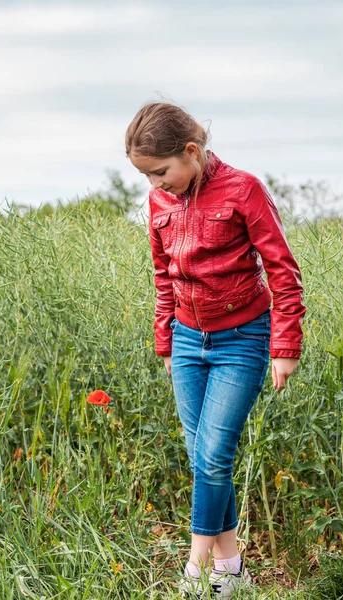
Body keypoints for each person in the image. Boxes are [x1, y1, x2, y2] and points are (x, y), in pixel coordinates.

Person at [125, 102, 306, 598]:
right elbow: (163, 276)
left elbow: (283, 272)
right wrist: (166, 340)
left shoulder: (244, 189)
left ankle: (196, 572)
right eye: (146, 176)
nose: (156, 185)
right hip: (186, 340)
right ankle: (231, 571)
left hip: (242, 339)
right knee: (201, 456)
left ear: (192, 151)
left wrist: (285, 343)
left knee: (212, 456)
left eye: (161, 172)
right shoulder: (160, 202)